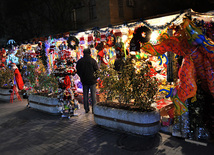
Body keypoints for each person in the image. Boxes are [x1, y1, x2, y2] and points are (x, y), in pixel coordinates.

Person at [76, 48, 99, 113]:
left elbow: (77, 70)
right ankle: (94, 109)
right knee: (93, 96)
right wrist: (95, 78)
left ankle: (86, 108)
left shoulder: (80, 61)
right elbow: (97, 70)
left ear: (83, 53)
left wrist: (81, 76)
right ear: (90, 53)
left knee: (85, 95)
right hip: (92, 81)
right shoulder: (93, 61)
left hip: (84, 80)